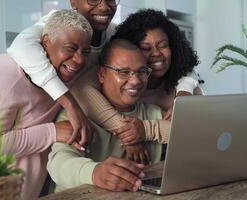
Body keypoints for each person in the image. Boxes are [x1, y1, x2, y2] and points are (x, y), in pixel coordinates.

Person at [8, 1, 201, 162]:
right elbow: (21, 47)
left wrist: (184, 90)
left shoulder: (114, 36)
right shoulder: (55, 24)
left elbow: (201, 131)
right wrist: (129, 133)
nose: (103, 6)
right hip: (39, 135)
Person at [0, 10, 93, 200]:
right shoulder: (4, 76)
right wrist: (52, 132)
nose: (80, 59)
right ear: (45, 43)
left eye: (85, 51)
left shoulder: (67, 73)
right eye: (71, 48)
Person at [47, 39, 163, 192]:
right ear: (101, 75)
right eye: (123, 72)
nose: (135, 81)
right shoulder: (77, 115)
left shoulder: (154, 113)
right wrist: (94, 173)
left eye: (141, 72)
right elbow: (59, 163)